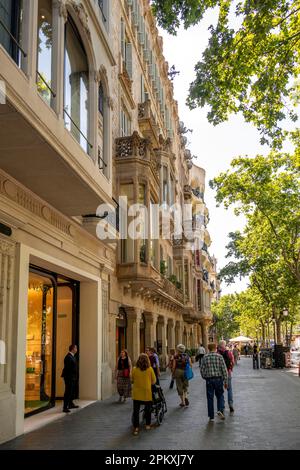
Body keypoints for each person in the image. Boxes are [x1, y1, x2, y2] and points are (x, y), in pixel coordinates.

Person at [200, 342, 228, 422]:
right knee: (220, 395)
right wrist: (226, 381)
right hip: (218, 379)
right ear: (216, 348)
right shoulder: (219, 356)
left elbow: (202, 369)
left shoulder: (205, 357)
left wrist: (205, 377)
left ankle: (211, 416)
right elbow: (224, 370)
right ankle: (219, 409)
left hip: (209, 380)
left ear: (208, 348)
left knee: (210, 398)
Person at [131, 353, 156, 436]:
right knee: (148, 409)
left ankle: (136, 428)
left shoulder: (134, 369)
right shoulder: (150, 369)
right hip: (146, 393)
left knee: (136, 411)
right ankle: (147, 425)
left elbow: (132, 379)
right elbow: (154, 381)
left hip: (137, 393)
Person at [217, 340, 235, 413]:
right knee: (229, 389)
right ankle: (230, 404)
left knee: (220, 390)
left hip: (219, 374)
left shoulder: (217, 353)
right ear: (224, 345)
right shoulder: (229, 352)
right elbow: (232, 362)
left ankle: (222, 406)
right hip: (228, 372)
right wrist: (230, 369)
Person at [61, 344, 79, 413]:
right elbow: (68, 369)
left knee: (71, 391)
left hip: (73, 377)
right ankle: (65, 407)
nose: (76, 349)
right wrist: (71, 377)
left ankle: (70, 404)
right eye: (76, 348)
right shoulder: (68, 357)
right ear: (72, 349)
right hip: (69, 377)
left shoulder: (72, 356)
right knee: (68, 392)